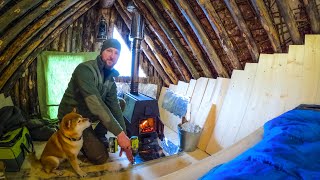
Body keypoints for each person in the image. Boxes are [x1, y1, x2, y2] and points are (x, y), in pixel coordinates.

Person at [58, 38, 133, 164]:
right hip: (73, 118)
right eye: (109, 51)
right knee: (100, 157)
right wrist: (119, 135)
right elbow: (96, 105)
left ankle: (98, 135)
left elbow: (115, 108)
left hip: (87, 115)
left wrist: (124, 137)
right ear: (101, 52)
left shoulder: (110, 80)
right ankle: (66, 135)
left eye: (116, 53)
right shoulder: (85, 70)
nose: (112, 56)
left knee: (120, 102)